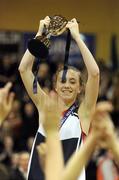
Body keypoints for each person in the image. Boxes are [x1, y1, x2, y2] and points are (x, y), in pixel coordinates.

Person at [18, 16, 100, 180]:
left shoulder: (83, 113)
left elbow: (94, 73)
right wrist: (41, 35)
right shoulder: (45, 107)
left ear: (79, 88)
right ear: (55, 86)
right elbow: (24, 69)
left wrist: (77, 37)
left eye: (72, 81)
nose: (66, 85)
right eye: (62, 81)